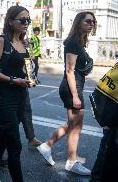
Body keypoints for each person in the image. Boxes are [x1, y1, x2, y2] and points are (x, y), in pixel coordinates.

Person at [36, 11, 97, 175]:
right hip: (72, 87)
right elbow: (70, 71)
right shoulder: (73, 42)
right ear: (79, 23)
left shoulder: (79, 42)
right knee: (76, 127)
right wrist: (76, 95)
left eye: (93, 22)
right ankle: (71, 162)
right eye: (88, 21)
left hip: (75, 86)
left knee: (74, 124)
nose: (91, 24)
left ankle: (47, 145)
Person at [0, 5, 32, 182]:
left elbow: (23, 67)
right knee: (15, 145)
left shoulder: (23, 42)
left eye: (28, 20)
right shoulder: (2, 41)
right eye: (22, 20)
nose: (26, 23)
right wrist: (13, 80)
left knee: (4, 137)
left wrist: (30, 77)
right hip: (4, 98)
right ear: (11, 21)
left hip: (20, 96)